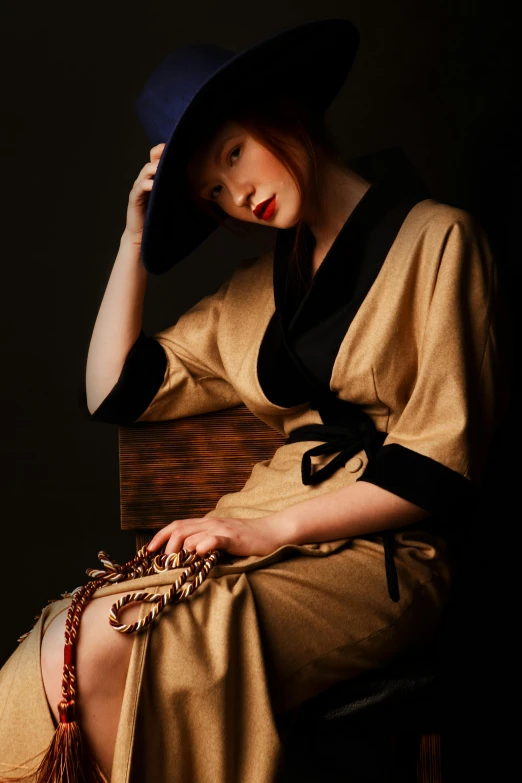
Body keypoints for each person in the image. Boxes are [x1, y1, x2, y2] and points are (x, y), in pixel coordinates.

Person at [0, 18, 512, 783]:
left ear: (281, 114)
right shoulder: (251, 298)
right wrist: (133, 241)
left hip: (383, 558)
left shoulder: (441, 240)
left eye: (234, 154)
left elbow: (440, 465)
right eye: (211, 189)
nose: (237, 194)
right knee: (59, 646)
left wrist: (268, 531)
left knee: (127, 646)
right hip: (251, 531)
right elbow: (113, 388)